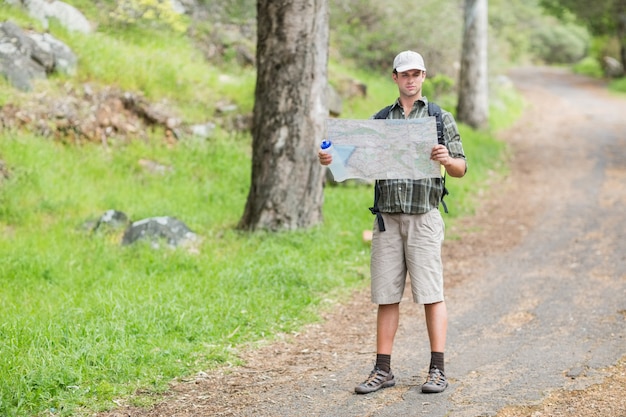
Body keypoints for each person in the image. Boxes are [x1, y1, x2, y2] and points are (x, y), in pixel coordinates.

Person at [318, 50, 467, 394]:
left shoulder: (439, 119)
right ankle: (382, 369)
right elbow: (353, 160)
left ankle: (437, 369)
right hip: (386, 219)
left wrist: (446, 160)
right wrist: (330, 157)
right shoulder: (381, 120)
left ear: (424, 76)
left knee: (431, 294)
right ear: (395, 78)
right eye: (405, 74)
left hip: (423, 218)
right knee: (387, 296)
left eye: (416, 73)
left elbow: (461, 168)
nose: (411, 79)